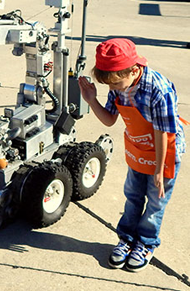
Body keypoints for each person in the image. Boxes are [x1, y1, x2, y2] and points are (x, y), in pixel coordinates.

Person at [78, 38, 186, 273]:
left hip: (164, 152)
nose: (113, 88)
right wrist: (91, 100)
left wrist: (159, 169)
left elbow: (162, 131)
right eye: (109, 85)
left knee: (156, 202)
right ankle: (126, 239)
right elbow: (109, 119)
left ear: (134, 70)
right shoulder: (118, 84)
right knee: (133, 196)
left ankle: (146, 244)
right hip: (138, 149)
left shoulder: (158, 89)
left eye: (116, 83)